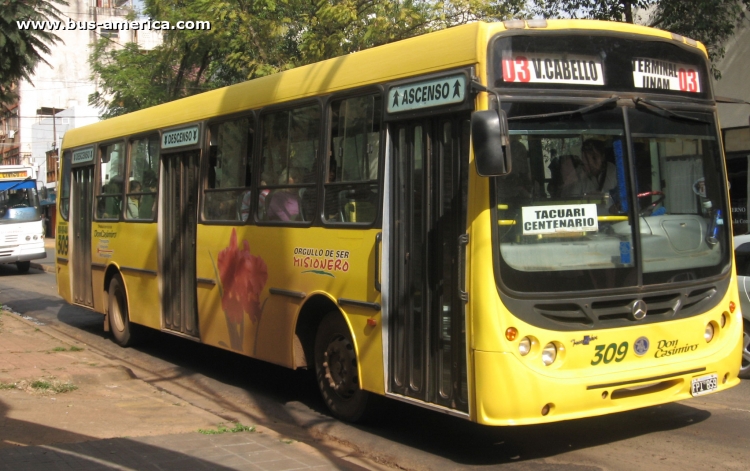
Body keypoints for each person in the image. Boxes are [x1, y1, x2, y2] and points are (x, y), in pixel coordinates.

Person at [560, 139, 617, 208]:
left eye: (594, 158)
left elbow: (621, 196)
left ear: (602, 157)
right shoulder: (577, 174)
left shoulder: (612, 170)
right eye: (586, 159)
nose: (591, 163)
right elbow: (570, 201)